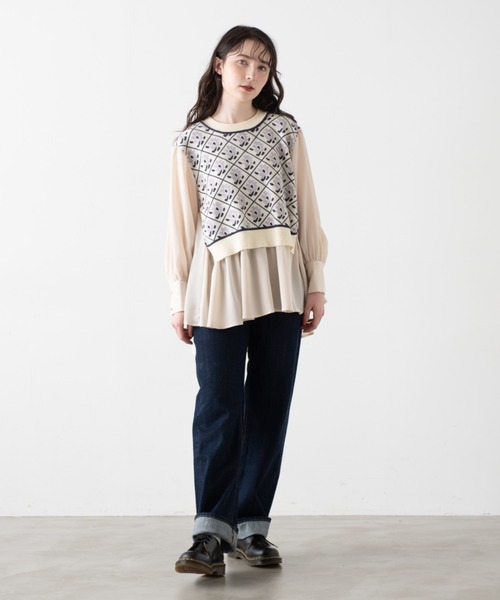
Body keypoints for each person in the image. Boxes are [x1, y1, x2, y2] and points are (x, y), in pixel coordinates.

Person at [164, 25, 328, 577]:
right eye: (242, 62)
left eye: (263, 66)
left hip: (281, 277)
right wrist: (178, 297)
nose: (252, 74)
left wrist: (316, 280)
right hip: (215, 284)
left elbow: (307, 205)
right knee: (218, 405)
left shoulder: (285, 131)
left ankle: (252, 527)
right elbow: (181, 225)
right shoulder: (190, 142)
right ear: (219, 65)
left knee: (269, 402)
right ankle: (210, 533)